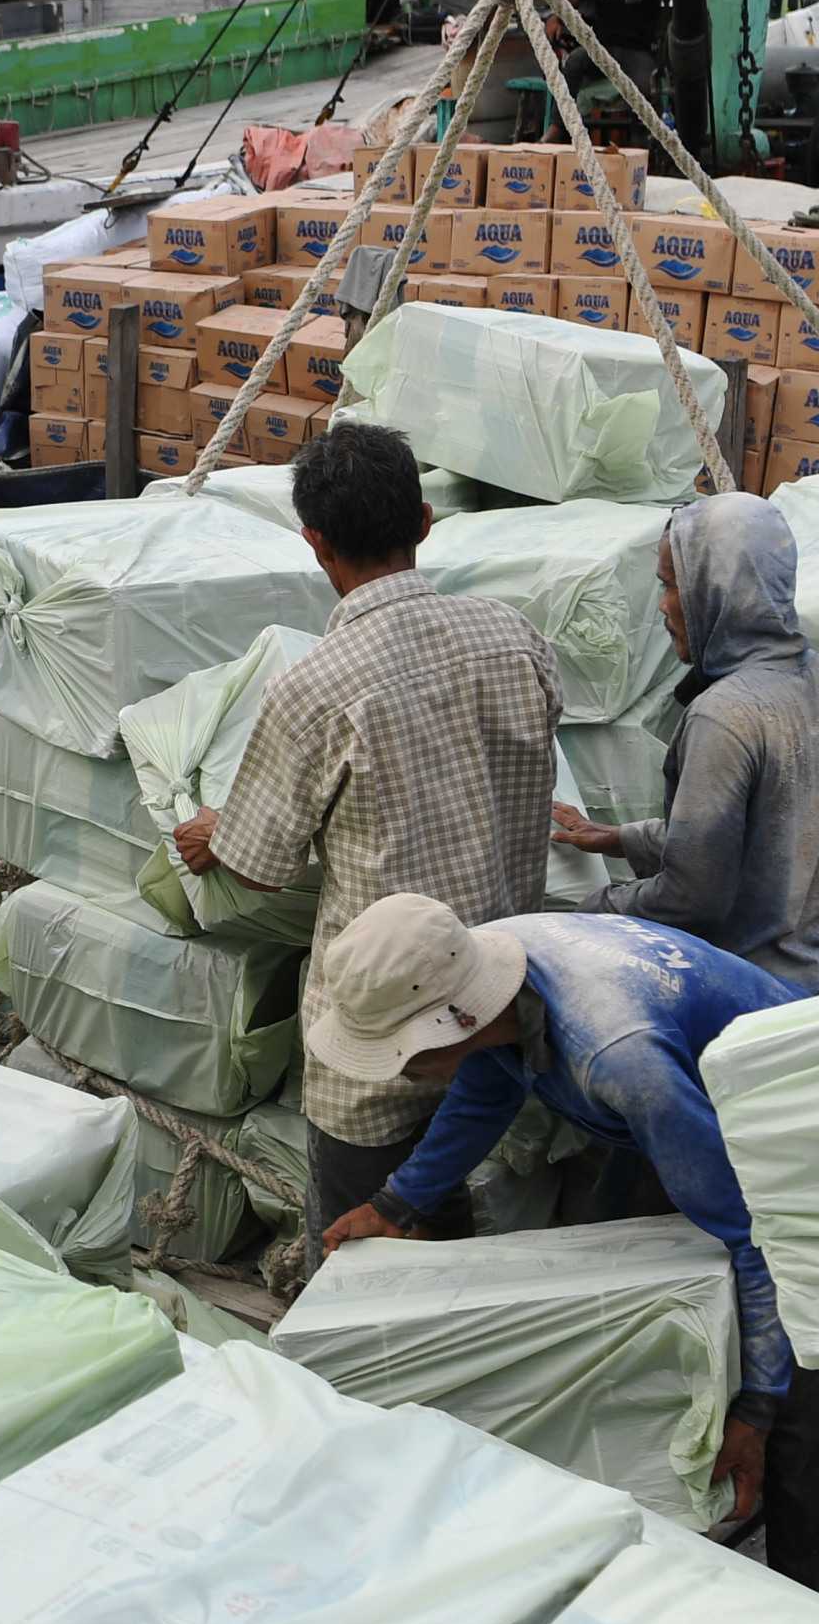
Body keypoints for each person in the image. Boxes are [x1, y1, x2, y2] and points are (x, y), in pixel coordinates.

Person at [302, 894, 819, 1588]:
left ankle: (808, 1594)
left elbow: (756, 1237)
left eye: (398, 1051)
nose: (398, 1071)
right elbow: (487, 1089)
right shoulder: (486, 966)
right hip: (687, 1101)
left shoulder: (620, 1061)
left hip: (794, 1140)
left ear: (449, 1021)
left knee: (799, 1381)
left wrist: (758, 1407)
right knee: (626, 1299)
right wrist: (395, 1203)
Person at [168, 421, 560, 1247]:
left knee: (366, 1265)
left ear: (315, 542)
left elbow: (260, 868)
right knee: (464, 1240)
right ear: (424, 522)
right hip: (499, 1005)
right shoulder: (515, 637)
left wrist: (216, 832)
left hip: (379, 1043)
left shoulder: (312, 690)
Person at [550, 493, 819, 991]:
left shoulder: (723, 715)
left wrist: (589, 911)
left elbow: (691, 899)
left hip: (733, 995)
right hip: (808, 982)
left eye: (670, 586)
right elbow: (756, 835)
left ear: (716, 590)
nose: (663, 606)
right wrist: (621, 838)